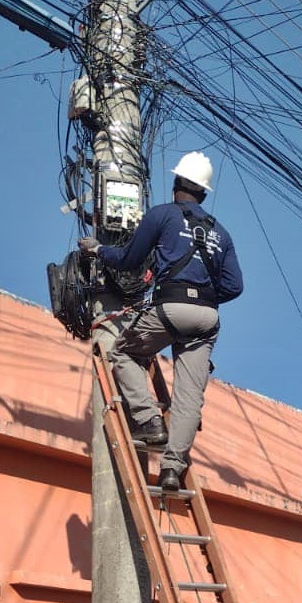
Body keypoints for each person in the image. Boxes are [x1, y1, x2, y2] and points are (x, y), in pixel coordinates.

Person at [80, 152, 243, 494]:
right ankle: (172, 469)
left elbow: (127, 260)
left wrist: (98, 250)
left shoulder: (162, 215)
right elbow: (234, 286)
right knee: (188, 397)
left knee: (123, 353)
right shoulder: (223, 234)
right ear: (204, 192)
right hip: (208, 318)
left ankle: (149, 421)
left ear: (175, 185)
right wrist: (204, 297)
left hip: (170, 308)